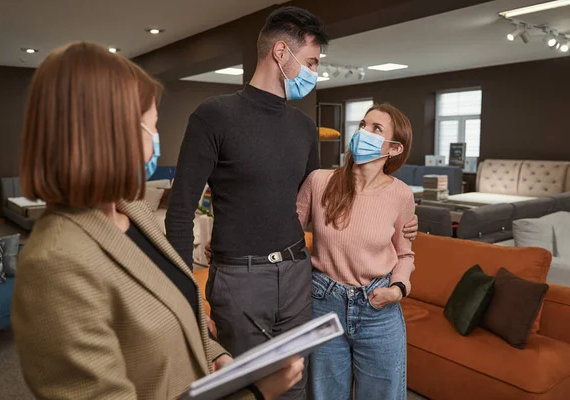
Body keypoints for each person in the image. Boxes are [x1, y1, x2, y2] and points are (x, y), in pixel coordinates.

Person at [12, 42, 304, 400]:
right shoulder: (55, 265)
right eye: (152, 127)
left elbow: (175, 307)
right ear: (111, 135)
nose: (157, 147)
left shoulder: (131, 211)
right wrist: (255, 393)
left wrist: (217, 355)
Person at [167, 7, 418, 400]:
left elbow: (316, 201)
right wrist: (185, 298)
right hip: (241, 281)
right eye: (313, 61)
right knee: (248, 390)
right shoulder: (213, 116)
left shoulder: (302, 126)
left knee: (298, 386)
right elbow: (180, 214)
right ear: (281, 53)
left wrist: (393, 220)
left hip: (300, 277)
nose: (315, 72)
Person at [296, 104, 415, 400]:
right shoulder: (319, 181)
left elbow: (404, 254)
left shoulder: (401, 194)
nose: (364, 132)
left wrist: (398, 289)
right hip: (324, 303)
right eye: (363, 124)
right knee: (324, 395)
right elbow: (287, 233)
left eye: (376, 129)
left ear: (395, 149)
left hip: (379, 307)